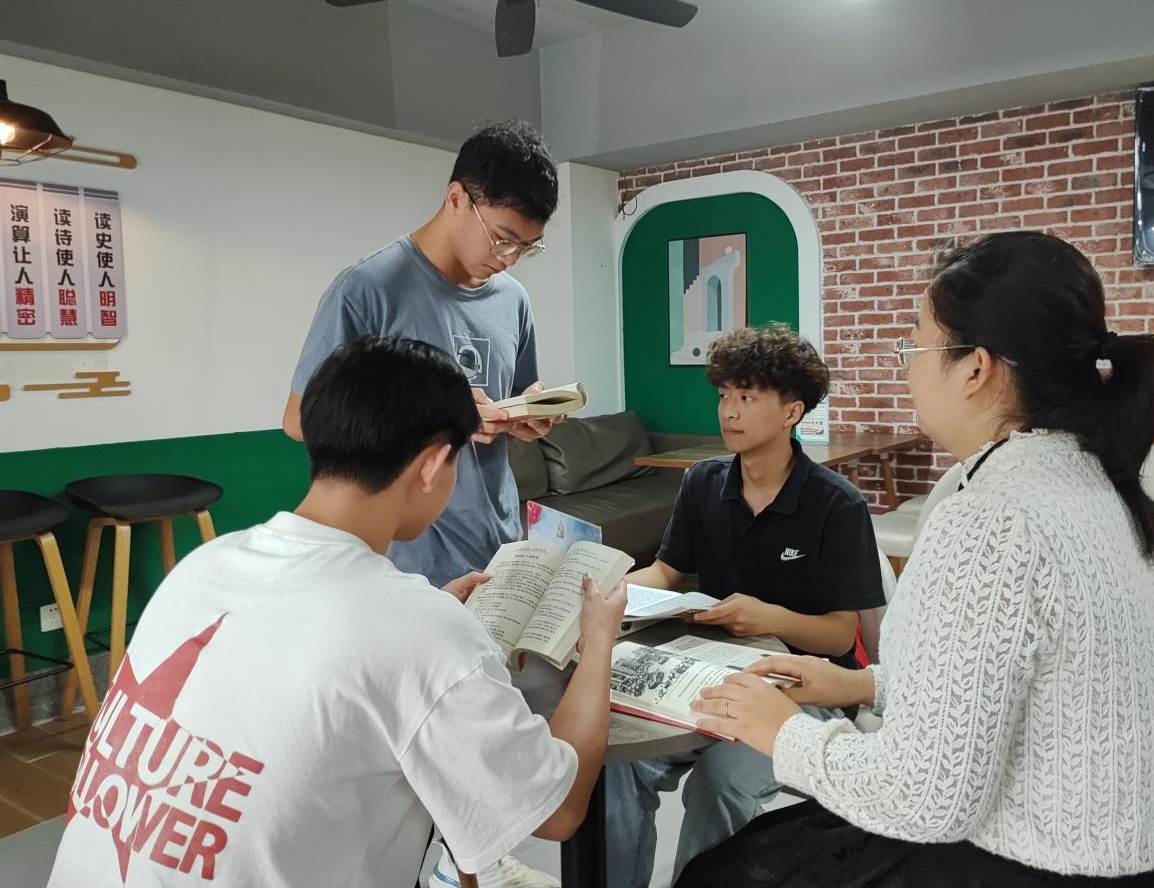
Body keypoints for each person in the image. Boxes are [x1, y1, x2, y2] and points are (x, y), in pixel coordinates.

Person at [682, 232, 1154, 887]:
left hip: (1035, 867)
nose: (907, 369)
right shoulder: (1100, 480)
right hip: (1145, 861)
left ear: (977, 368)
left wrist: (782, 731)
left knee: (721, 874)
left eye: (915, 347)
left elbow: (922, 799)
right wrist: (861, 685)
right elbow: (1025, 683)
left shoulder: (993, 517)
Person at [49, 336, 627, 888]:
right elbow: (557, 812)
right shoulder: (417, 629)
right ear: (432, 465)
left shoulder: (203, 564)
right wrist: (597, 638)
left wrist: (422, 623)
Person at [282, 122, 564, 886]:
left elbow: (512, 396)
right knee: (399, 757)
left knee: (472, 744)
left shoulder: (511, 299)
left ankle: (469, 865)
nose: (508, 259)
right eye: (502, 238)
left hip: (490, 539)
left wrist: (525, 415)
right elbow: (303, 418)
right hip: (399, 556)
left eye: (526, 248)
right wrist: (440, 415)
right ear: (456, 198)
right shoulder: (369, 288)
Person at [608, 324, 886, 887]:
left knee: (720, 781)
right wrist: (611, 592)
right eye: (723, 395)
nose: (728, 411)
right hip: (707, 669)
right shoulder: (702, 482)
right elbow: (666, 571)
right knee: (617, 765)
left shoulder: (837, 504)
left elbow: (840, 636)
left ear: (792, 412)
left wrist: (768, 618)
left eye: (747, 397)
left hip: (807, 688)